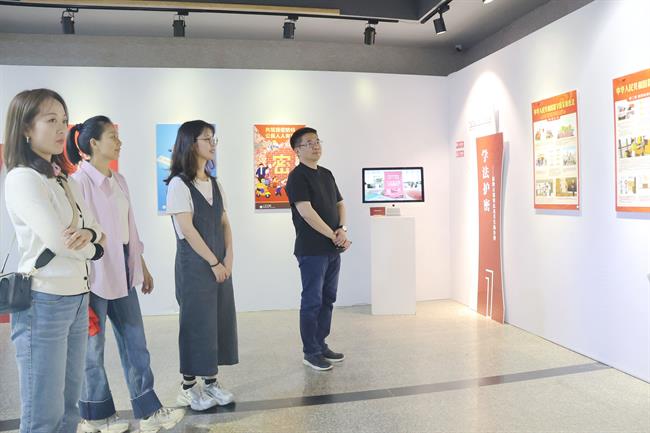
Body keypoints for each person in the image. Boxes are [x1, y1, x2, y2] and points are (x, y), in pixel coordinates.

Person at [67, 116, 185, 433]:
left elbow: (128, 228)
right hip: (92, 272)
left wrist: (140, 264)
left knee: (136, 343)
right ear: (93, 143)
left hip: (123, 267)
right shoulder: (79, 182)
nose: (119, 142)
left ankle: (149, 410)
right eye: (112, 136)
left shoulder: (119, 180)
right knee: (92, 349)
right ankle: (96, 416)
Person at [3, 89, 104, 433]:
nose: (62, 128)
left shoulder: (62, 178)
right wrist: (94, 247)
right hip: (43, 302)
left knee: (68, 409)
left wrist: (90, 236)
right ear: (25, 128)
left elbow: (97, 228)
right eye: (51, 120)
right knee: (43, 414)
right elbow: (59, 241)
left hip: (77, 298)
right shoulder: (22, 178)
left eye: (64, 120)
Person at [164, 120, 238, 411]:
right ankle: (187, 388)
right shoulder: (179, 185)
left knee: (218, 320)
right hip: (195, 266)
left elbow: (225, 224)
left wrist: (228, 259)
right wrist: (214, 262)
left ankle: (211, 382)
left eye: (213, 138)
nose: (213, 144)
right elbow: (188, 230)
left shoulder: (215, 184)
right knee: (196, 323)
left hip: (219, 264)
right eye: (207, 139)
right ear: (191, 144)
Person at [285, 127, 351, 371]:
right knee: (312, 300)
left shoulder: (326, 173)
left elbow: (340, 203)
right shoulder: (297, 177)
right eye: (309, 142)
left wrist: (342, 229)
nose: (315, 146)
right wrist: (334, 235)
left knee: (328, 298)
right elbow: (306, 212)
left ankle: (321, 344)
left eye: (317, 141)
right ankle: (310, 352)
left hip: (332, 249)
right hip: (312, 249)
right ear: (297, 150)